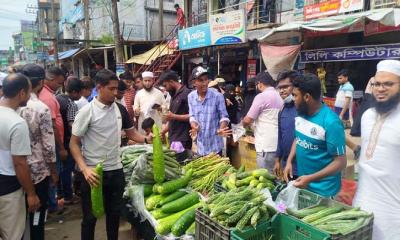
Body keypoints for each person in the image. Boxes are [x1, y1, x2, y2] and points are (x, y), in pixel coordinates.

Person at [69, 69, 152, 240]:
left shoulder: (120, 109)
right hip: (93, 174)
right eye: (111, 89)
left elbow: (131, 134)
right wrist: (85, 169)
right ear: (99, 88)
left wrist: (146, 139)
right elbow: (73, 143)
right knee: (90, 218)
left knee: (114, 215)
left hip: (116, 171)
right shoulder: (87, 112)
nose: (116, 93)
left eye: (117, 89)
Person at [353, 60, 400, 240]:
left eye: (389, 84)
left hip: (393, 215)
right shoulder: (367, 116)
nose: (381, 89)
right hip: (362, 205)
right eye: (377, 84)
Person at [283, 74, 347, 197]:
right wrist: (290, 161)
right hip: (304, 186)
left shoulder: (331, 122)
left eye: (295, 95)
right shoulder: (301, 114)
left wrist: (310, 178)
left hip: (325, 192)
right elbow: (298, 139)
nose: (293, 99)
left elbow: (340, 162)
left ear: (307, 97)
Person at [19, 64, 58, 240]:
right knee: (38, 215)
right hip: (38, 172)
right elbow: (48, 145)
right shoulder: (40, 108)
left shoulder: (13, 106)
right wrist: (53, 170)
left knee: (20, 218)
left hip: (14, 171)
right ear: (41, 82)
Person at [0, 73, 41, 240]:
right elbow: (19, 163)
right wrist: (31, 193)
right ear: (21, 93)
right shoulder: (16, 123)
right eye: (29, 92)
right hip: (9, 188)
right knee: (13, 235)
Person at [39, 66, 67, 213]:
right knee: (53, 173)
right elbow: (52, 126)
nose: (60, 86)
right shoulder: (48, 98)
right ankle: (52, 204)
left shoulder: (47, 95)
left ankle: (52, 202)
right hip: (53, 143)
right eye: (58, 83)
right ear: (50, 80)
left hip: (53, 142)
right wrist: (61, 147)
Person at [242, 72, 283, 172]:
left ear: (260, 84)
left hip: (266, 145)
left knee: (265, 177)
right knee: (276, 177)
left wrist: (242, 123)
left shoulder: (261, 97)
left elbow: (248, 119)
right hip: (279, 144)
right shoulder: (280, 96)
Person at [188, 66, 231, 156]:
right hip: (200, 147)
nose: (204, 83)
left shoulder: (217, 96)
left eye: (206, 79)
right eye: (200, 80)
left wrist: (221, 128)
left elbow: (224, 117)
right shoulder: (191, 97)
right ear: (194, 82)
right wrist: (194, 126)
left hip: (215, 147)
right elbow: (192, 116)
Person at [56, 77, 83, 204]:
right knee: (68, 169)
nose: (81, 95)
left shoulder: (59, 98)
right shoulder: (71, 104)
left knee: (61, 169)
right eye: (80, 92)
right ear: (74, 92)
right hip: (68, 141)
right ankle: (68, 196)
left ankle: (60, 193)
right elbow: (72, 124)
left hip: (59, 140)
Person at [159, 70, 192, 162]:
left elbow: (193, 116)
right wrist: (163, 131)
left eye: (165, 85)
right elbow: (172, 118)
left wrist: (174, 116)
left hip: (182, 138)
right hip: (173, 137)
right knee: (175, 164)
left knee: (181, 164)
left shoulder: (187, 94)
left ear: (171, 82)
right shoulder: (173, 95)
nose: (165, 89)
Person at [274, 70, 298, 179]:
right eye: (280, 88)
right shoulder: (282, 110)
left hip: (301, 166)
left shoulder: (302, 109)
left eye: (285, 87)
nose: (282, 90)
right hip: (286, 164)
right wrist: (277, 160)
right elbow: (280, 136)